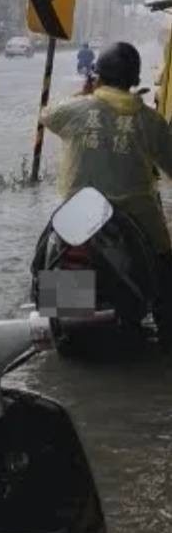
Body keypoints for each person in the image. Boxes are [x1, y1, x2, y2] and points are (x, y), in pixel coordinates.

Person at [42, 41, 172, 348]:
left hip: (78, 215)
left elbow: (47, 116)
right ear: (134, 80)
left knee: (52, 252)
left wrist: (86, 93)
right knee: (166, 267)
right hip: (137, 217)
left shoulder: (76, 110)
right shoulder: (150, 121)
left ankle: (62, 314)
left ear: (96, 76)